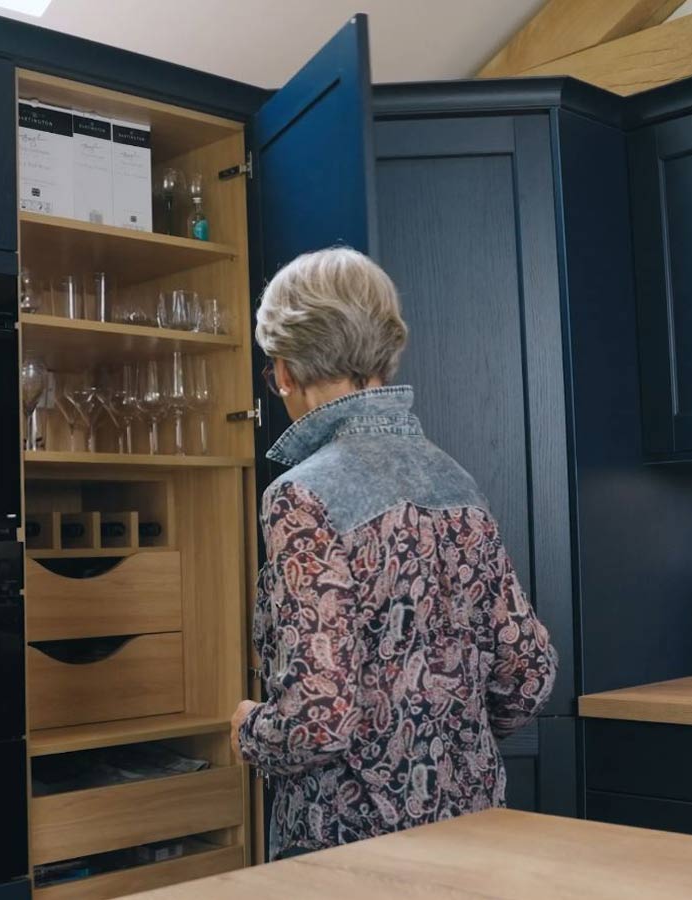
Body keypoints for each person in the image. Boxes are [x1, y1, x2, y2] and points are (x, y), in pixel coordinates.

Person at [231, 247, 557, 861]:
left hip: (350, 848)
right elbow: (528, 674)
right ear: (386, 351)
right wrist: (445, 737)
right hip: (471, 829)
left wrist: (250, 727)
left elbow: (318, 722)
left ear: (283, 370)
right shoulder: (456, 481)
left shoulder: (299, 496)